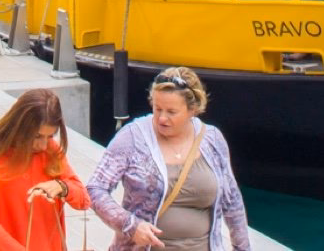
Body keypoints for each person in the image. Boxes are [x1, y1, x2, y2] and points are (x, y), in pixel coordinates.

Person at [88, 67, 250, 251]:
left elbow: (232, 201)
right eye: (158, 109)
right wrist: (130, 225)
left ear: (193, 110)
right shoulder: (132, 137)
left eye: (171, 112)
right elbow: (96, 189)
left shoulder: (212, 139)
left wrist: (243, 248)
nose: (162, 118)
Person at [0, 89, 90, 251]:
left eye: (50, 136)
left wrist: (62, 187)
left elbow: (83, 201)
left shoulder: (51, 150)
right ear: (20, 126)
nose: (43, 145)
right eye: (37, 136)